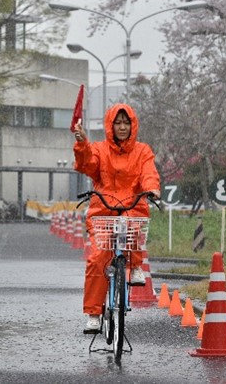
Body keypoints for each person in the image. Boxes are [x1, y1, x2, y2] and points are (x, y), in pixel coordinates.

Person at [72, 103, 161, 334]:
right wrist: (82, 143)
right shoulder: (100, 149)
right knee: (98, 258)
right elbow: (86, 164)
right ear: (110, 126)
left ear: (133, 125)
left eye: (126, 122)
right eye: (118, 122)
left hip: (132, 205)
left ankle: (135, 264)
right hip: (103, 208)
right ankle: (93, 313)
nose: (122, 127)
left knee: (134, 226)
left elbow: (149, 173)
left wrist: (152, 189)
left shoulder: (142, 151)